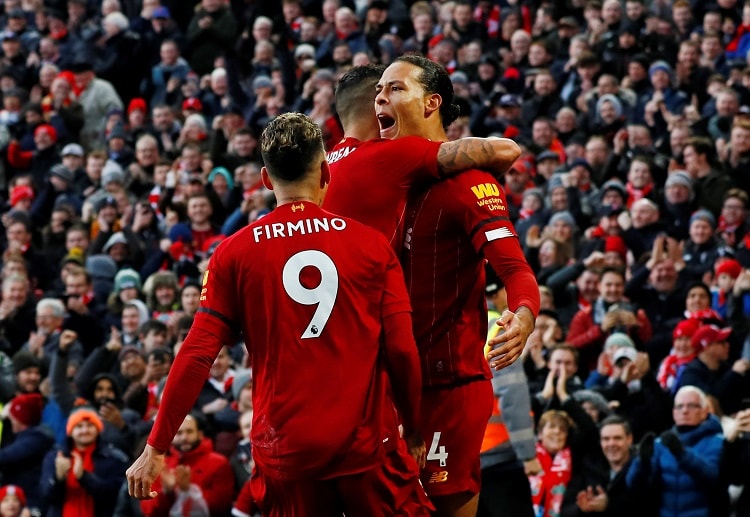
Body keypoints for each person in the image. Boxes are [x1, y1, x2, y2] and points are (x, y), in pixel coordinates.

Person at [127, 113, 428, 515]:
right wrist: (415, 428)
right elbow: (403, 350)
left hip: (286, 451)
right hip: (367, 445)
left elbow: (197, 353)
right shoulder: (370, 245)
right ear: (325, 171)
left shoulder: (233, 253)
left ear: (266, 180)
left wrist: (157, 446)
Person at [373, 55, 540, 515]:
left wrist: (523, 314)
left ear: (432, 103)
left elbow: (515, 269)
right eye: (377, 91)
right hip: (382, 387)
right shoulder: (376, 177)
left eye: (394, 89)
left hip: (447, 388)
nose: (380, 98)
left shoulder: (469, 184)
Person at [324, 64, 526, 250]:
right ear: (377, 103)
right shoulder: (386, 155)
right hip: (370, 287)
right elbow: (507, 150)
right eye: (387, 91)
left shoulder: (322, 168)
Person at [626, 385, 727, 517]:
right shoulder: (661, 443)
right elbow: (633, 485)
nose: (684, 411)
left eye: (691, 406)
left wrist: (682, 453)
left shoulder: (717, 441)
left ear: (704, 412)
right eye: (679, 406)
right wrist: (642, 463)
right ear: (674, 413)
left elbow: (713, 477)